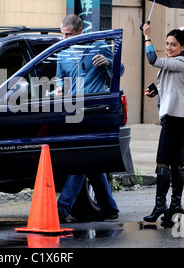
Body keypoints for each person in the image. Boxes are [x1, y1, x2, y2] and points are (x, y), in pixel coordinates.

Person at [56, 14, 120, 222]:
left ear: (79, 32)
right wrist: (58, 88)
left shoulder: (99, 46)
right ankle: (110, 208)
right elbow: (60, 77)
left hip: (95, 110)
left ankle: (62, 208)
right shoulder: (63, 51)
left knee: (80, 158)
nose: (64, 38)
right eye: (62, 34)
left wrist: (109, 62)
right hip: (73, 111)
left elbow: (121, 70)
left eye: (68, 34)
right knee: (90, 161)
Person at [142, 23, 184, 227]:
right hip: (173, 118)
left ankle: (163, 206)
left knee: (164, 161)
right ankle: (174, 207)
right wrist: (155, 89)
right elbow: (168, 82)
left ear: (183, 47)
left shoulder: (181, 62)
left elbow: (153, 60)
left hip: (176, 120)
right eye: (168, 44)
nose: (169, 47)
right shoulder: (174, 62)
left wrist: (147, 36)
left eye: (174, 44)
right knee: (174, 163)